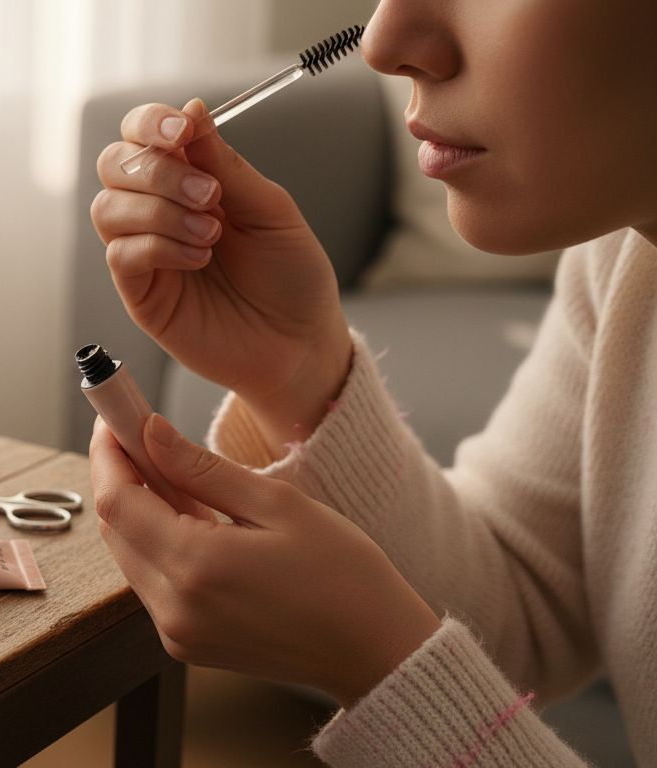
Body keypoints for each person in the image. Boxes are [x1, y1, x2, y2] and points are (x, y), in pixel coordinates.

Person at [86, 0, 657, 764]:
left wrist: (383, 670)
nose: (385, 44)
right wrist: (297, 369)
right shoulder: (627, 260)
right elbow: (523, 607)